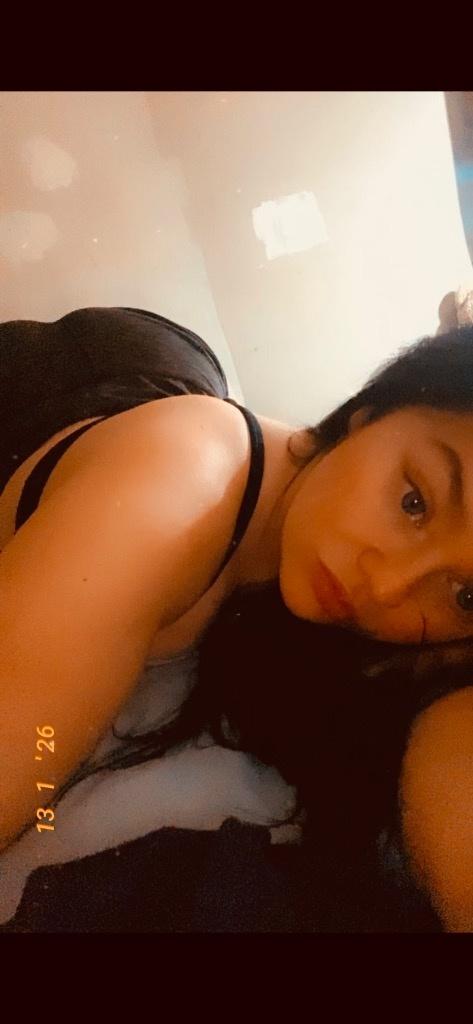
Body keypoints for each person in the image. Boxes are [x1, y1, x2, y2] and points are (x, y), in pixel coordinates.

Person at [2, 305, 473, 930]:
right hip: (81, 377)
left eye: (465, 596)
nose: (387, 587)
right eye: (414, 502)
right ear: (371, 413)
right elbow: (24, 743)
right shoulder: (180, 472)